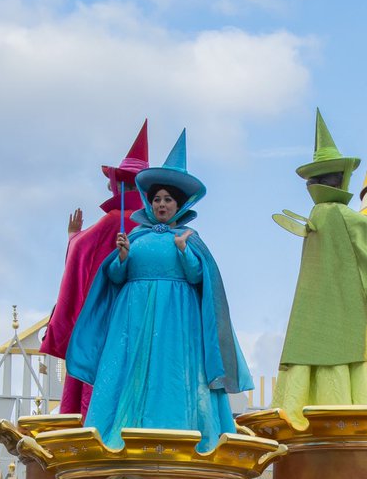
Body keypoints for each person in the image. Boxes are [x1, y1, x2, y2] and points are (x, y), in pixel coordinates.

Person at [66, 130, 252, 452]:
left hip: (175, 322)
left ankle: (175, 431)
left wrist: (183, 251)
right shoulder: (135, 238)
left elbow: (199, 279)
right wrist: (122, 258)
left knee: (169, 375)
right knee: (131, 374)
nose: (161, 204)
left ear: (178, 204)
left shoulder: (189, 237)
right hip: (133, 320)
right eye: (156, 199)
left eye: (167, 199)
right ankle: (119, 433)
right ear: (150, 204)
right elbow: (113, 276)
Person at [272, 111, 367, 428]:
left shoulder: (320, 214)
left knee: (319, 351)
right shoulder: (335, 214)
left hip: (320, 306)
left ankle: (302, 409)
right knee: (345, 352)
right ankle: (351, 415)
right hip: (341, 308)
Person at [41, 119, 150, 417]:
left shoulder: (112, 220)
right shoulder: (152, 224)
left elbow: (80, 253)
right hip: (141, 312)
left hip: (105, 311)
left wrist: (72, 236)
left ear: (121, 184)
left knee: (99, 369)